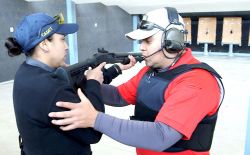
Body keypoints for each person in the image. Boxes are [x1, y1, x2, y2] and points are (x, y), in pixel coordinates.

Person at [49, 7, 224, 155]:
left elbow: (161, 136)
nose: (141, 47)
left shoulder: (198, 81)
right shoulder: (151, 71)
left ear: (172, 40)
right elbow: (119, 96)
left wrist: (95, 119)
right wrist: (89, 82)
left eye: (148, 40)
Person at [4, 12, 130, 155]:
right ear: (45, 44)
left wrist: (116, 69)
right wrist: (93, 83)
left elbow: (79, 84)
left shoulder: (26, 72)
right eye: (62, 39)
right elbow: (93, 132)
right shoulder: (53, 88)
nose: (66, 46)